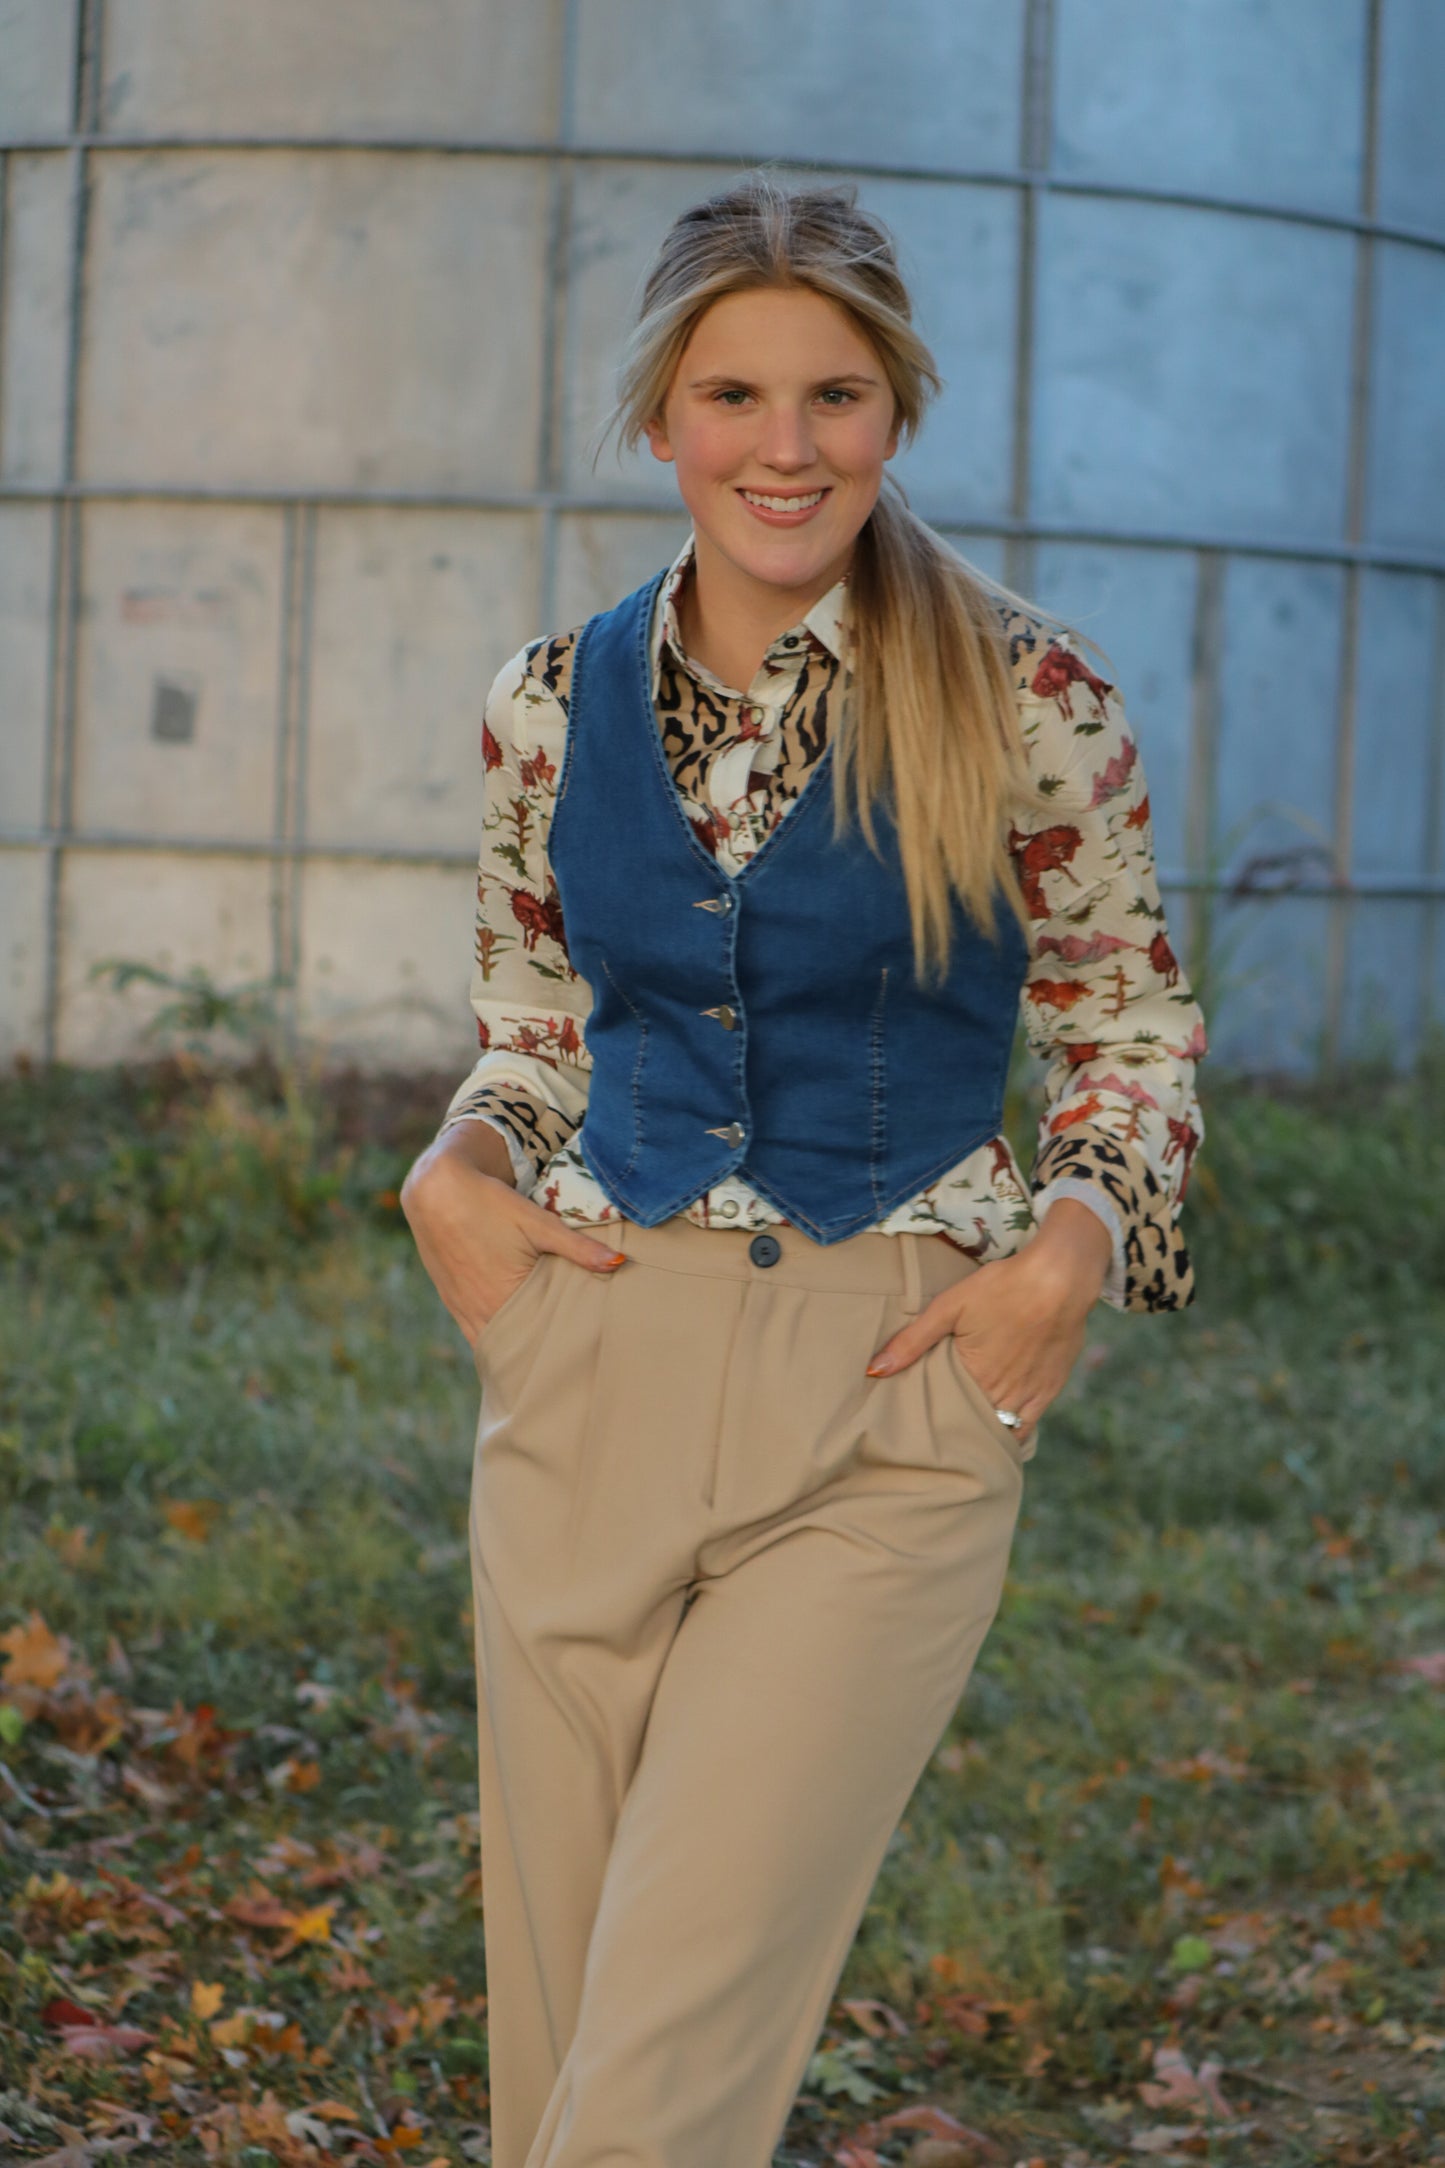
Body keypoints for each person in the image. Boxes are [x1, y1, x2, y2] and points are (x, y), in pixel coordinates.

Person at [401, 172, 1206, 2168]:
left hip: (885, 1398)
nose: (787, 447)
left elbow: (1130, 1029)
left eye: (834, 395)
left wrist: (1068, 1253)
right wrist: (454, 1169)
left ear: (897, 409)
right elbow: (535, 1028)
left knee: (652, 2089)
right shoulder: (539, 705)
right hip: (588, 1374)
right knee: (560, 2062)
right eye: (735, 395)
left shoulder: (1030, 695)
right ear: (662, 417)